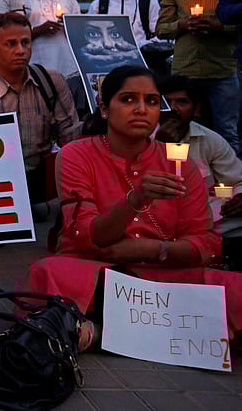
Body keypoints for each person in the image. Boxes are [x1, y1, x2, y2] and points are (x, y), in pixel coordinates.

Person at [29, 65, 242, 341]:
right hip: (99, 272)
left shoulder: (179, 162)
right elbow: (83, 236)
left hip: (166, 275)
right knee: (50, 272)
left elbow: (205, 243)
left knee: (235, 288)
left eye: (151, 101)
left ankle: (99, 333)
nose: (141, 109)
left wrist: (155, 249)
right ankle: (161, 331)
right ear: (104, 108)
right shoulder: (77, 155)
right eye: (128, 99)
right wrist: (135, 200)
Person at [0, 13, 80, 208]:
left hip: (43, 183)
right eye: (11, 44)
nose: (20, 50)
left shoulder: (50, 81)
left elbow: (70, 135)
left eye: (25, 42)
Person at [156, 0, 238, 154]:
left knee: (227, 131)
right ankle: (182, 173)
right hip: (186, 71)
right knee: (179, 130)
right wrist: (182, 25)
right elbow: (161, 29)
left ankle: (228, 174)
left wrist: (218, 27)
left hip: (222, 69)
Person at [157, 75, 242, 269]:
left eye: (182, 102)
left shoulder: (209, 140)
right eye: (166, 102)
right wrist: (161, 146)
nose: (173, 109)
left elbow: (235, 182)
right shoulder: (142, 137)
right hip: (157, 216)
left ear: (196, 109)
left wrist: (239, 196)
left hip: (208, 211)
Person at [19, 0, 84, 112]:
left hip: (69, 68)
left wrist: (69, 25)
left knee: (70, 112)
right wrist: (39, 30)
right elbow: (17, 36)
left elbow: (80, 35)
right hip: (37, 68)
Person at [88, 0, 170, 78]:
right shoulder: (98, 4)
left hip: (143, 65)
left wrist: (138, 46)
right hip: (108, 66)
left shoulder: (148, 2)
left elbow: (160, 35)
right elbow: (90, 37)